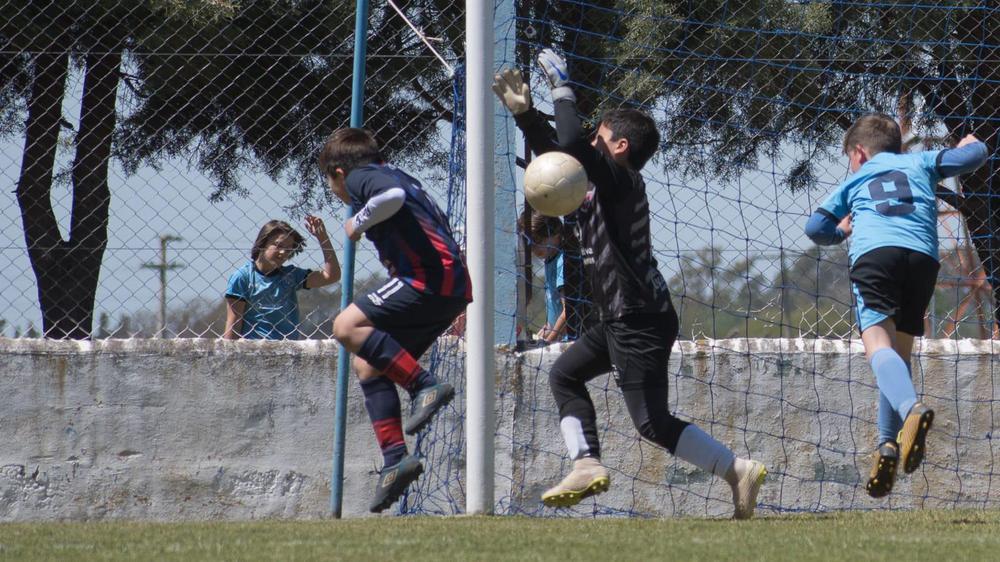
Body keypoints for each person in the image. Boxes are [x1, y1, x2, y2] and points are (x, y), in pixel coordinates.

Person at [493, 50, 767, 519]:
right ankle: (585, 463)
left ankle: (736, 469)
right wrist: (524, 117)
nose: (590, 146)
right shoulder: (601, 181)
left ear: (619, 147)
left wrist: (562, 91)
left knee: (651, 423)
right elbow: (562, 158)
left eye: (599, 138)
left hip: (636, 318)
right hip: (625, 318)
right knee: (565, 374)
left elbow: (573, 149)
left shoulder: (620, 181)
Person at [805, 113, 988, 498]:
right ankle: (886, 444)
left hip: (876, 257)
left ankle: (911, 411)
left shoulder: (856, 177)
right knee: (898, 359)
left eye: (849, 157)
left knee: (877, 346)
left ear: (859, 152)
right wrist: (971, 144)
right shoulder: (919, 162)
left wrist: (841, 230)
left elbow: (815, 228)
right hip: (922, 260)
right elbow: (975, 157)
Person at [318, 127, 472, 513]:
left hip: (427, 280)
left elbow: (391, 198)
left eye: (330, 183)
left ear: (338, 172)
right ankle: (395, 460)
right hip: (449, 288)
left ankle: (425, 385)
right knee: (369, 364)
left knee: (346, 326)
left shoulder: (361, 177)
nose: (338, 194)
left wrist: (357, 223)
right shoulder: (397, 172)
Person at [223, 217, 340, 340]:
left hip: (288, 348)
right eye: (278, 245)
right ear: (262, 243)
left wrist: (323, 238)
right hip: (253, 349)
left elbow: (331, 276)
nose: (283, 252)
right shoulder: (243, 277)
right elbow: (234, 322)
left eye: (289, 248)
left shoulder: (291, 275)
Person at [518, 211, 568, 343]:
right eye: (530, 244)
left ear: (556, 234)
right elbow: (554, 310)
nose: (534, 248)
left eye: (538, 241)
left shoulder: (561, 261)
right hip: (559, 338)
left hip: (568, 341)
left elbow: (568, 311)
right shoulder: (549, 261)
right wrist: (546, 330)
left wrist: (549, 342)